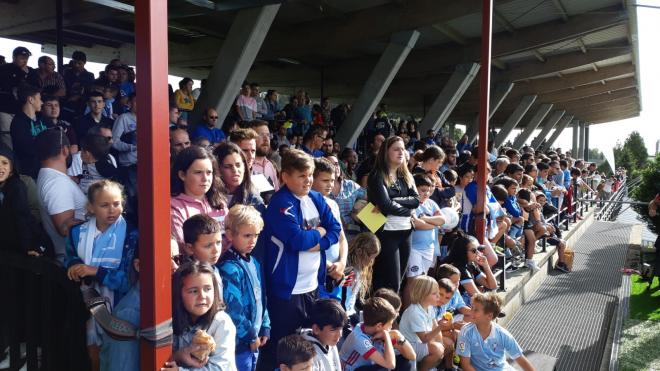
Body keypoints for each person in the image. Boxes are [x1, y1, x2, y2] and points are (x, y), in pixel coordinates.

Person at [258, 149, 341, 371]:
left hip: (312, 287)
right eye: (302, 176)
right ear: (285, 177)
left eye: (311, 175)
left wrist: (316, 240)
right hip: (287, 293)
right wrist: (321, 233)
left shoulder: (315, 197)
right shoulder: (280, 203)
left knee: (305, 348)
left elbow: (335, 229)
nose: (308, 181)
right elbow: (297, 240)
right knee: (282, 350)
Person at [64, 180, 137, 371]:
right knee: (92, 349)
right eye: (104, 205)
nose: (112, 210)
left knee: (116, 353)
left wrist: (96, 271)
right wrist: (73, 265)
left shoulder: (131, 235)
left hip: (119, 304)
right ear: (91, 207)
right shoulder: (77, 232)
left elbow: (128, 279)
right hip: (87, 302)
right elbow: (70, 256)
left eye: (116, 203)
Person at [219, 205, 271, 371]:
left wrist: (265, 326)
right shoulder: (229, 267)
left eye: (256, 235)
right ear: (229, 235)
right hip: (239, 345)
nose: (253, 241)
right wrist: (249, 336)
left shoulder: (254, 262)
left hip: (254, 340)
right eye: (247, 235)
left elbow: (261, 297)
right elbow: (233, 309)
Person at [367, 136, 419, 292]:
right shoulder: (377, 175)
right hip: (386, 233)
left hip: (406, 232)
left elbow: (416, 200)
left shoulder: (406, 176)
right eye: (396, 149)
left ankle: (390, 314)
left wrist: (394, 199)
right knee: (390, 282)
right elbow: (386, 205)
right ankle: (383, 314)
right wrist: (408, 210)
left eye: (403, 149)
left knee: (399, 281)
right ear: (386, 152)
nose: (401, 152)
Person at [170, 261, 237, 371]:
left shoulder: (221, 323)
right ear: (179, 294)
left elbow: (220, 368)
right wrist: (178, 356)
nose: (202, 296)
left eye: (207, 289)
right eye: (193, 291)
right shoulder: (172, 321)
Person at [36, 128, 87, 263]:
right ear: (65, 150)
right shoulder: (56, 183)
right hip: (74, 263)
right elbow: (65, 229)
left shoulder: (53, 178)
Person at [456, 292, 534, 371]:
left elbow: (521, 359)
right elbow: (466, 365)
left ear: (489, 316)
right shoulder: (466, 332)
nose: (471, 312)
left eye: (476, 310)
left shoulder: (503, 334)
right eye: (471, 307)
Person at [170, 145, 227, 251]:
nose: (205, 178)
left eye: (209, 172)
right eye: (198, 172)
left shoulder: (219, 202)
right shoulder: (174, 207)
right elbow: (182, 248)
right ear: (182, 175)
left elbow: (231, 237)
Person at [0, 145, 49, 256]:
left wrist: (27, 246)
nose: (0, 167)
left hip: (16, 246)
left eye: (4, 163)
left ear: (12, 168)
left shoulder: (17, 187)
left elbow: (22, 218)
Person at [312, 157, 349, 300]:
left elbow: (342, 239)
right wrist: (330, 267)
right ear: (312, 179)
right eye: (325, 181)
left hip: (336, 274)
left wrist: (342, 263)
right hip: (318, 273)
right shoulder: (306, 206)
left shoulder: (333, 204)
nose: (330, 185)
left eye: (332, 181)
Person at [399, 276, 446, 371]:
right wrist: (441, 327)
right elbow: (424, 339)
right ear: (422, 295)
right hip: (407, 345)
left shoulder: (429, 307)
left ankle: (430, 366)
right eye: (434, 293)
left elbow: (434, 326)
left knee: (445, 346)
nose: (438, 296)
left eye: (438, 293)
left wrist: (441, 344)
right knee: (437, 350)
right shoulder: (415, 312)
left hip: (418, 343)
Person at [338, 297, 398, 371]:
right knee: (383, 368)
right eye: (390, 324)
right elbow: (390, 364)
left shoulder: (368, 328)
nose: (391, 327)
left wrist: (397, 335)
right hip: (350, 369)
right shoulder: (359, 338)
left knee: (403, 361)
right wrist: (386, 335)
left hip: (364, 367)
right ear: (379, 326)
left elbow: (412, 356)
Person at [407, 174, 445, 278]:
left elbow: (442, 220)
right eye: (423, 190)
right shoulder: (410, 202)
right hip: (414, 248)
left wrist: (425, 219)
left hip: (429, 248)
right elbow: (416, 223)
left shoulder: (431, 203)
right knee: (414, 280)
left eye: (428, 190)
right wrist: (434, 225)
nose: (427, 194)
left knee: (423, 279)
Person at [444, 232, 498, 306]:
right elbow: (478, 297)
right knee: (487, 303)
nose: (478, 253)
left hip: (464, 303)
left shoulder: (470, 264)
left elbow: (492, 286)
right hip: (454, 307)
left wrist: (486, 266)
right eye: (474, 250)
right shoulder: (459, 268)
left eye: (479, 249)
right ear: (463, 251)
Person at [213, 142, 266, 214]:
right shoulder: (209, 197)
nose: (235, 170)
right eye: (228, 166)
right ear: (218, 169)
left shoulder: (253, 200)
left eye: (238, 165)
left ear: (244, 167)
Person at [10, 84, 48, 178]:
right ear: (31, 100)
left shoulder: (43, 118)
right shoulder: (18, 123)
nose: (42, 102)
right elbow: (28, 149)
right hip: (30, 174)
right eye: (39, 99)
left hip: (47, 169)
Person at [341, 232, 380, 321]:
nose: (372, 261)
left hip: (351, 309)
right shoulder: (348, 269)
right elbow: (343, 297)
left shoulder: (359, 266)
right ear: (359, 252)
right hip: (344, 312)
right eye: (371, 258)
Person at [300, 299, 347, 371]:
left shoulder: (330, 342)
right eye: (333, 330)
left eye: (341, 328)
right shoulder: (309, 356)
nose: (340, 334)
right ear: (316, 329)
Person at [0, 46, 32, 149]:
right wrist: (22, 74)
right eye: (22, 57)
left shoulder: (30, 71)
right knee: (7, 135)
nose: (24, 60)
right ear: (14, 57)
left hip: (23, 110)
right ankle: (9, 159)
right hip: (5, 109)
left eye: (26, 58)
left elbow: (34, 88)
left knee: (22, 134)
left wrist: (26, 74)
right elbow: (7, 85)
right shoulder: (4, 68)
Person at [251, 120, 280, 191]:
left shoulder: (271, 166)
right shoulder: (244, 165)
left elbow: (276, 193)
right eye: (261, 135)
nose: (266, 139)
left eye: (268, 135)